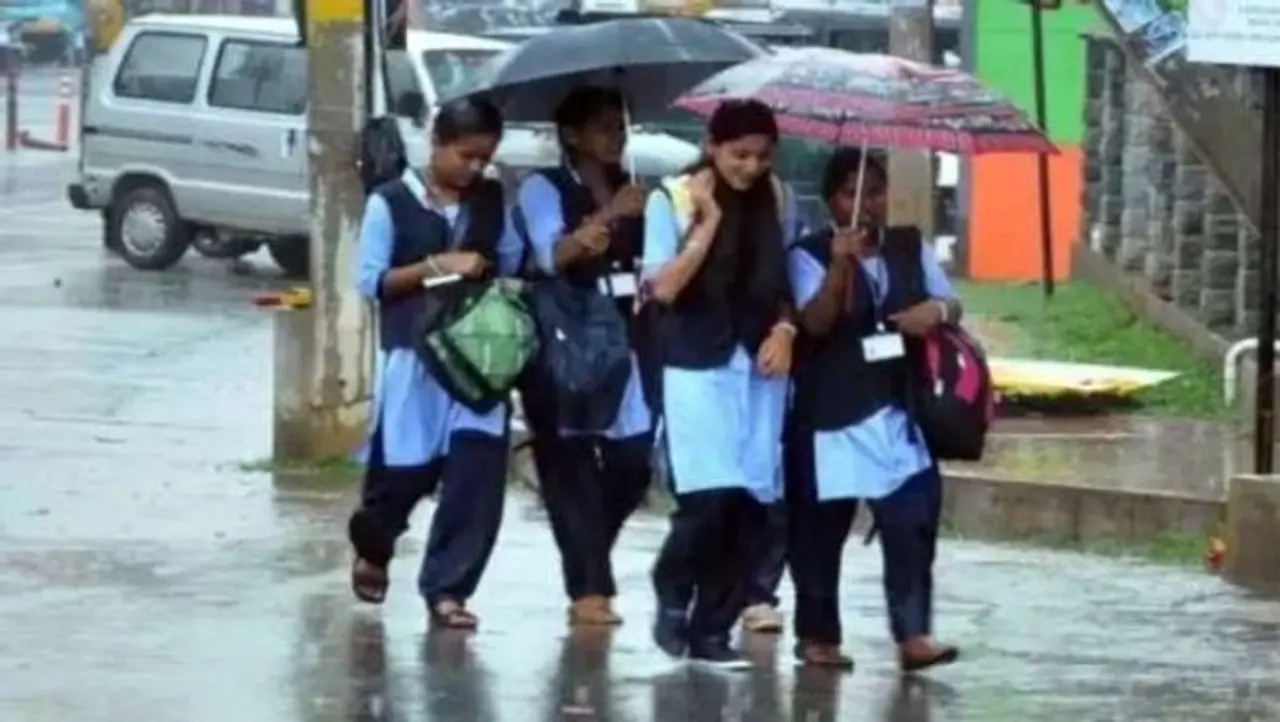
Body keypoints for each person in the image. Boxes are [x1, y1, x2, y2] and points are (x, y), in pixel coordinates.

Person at [346, 97, 524, 630]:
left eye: (485, 159)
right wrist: (438, 265)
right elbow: (373, 281)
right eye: (466, 156)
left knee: (476, 476)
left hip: (478, 361)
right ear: (437, 144)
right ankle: (374, 546)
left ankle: (448, 589)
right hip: (414, 356)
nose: (475, 168)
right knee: (402, 474)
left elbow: (513, 262)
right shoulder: (391, 201)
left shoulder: (493, 201)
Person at [785, 147, 961, 671]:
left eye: (876, 192)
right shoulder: (808, 253)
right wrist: (842, 264)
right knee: (818, 534)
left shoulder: (909, 247)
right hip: (831, 413)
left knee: (913, 515)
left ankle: (913, 633)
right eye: (851, 193)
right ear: (831, 200)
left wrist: (937, 310)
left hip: (896, 408)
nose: (866, 204)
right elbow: (814, 322)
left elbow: (951, 303)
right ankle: (818, 637)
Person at [642, 99, 799, 668]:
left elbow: (784, 278)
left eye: (762, 156)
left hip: (759, 366)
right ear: (712, 146)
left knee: (753, 505)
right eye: (740, 155)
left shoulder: (778, 199)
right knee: (708, 497)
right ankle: (672, 593)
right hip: (696, 361)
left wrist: (784, 327)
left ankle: (714, 626)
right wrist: (707, 222)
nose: (751, 168)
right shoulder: (673, 199)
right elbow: (662, 288)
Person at [514, 86, 654, 626]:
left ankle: (589, 547)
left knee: (633, 460)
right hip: (564, 336)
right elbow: (555, 255)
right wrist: (610, 215)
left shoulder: (635, 186)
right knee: (569, 463)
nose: (614, 138)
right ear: (571, 136)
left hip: (625, 338)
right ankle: (589, 590)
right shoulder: (543, 188)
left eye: (620, 127)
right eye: (602, 128)